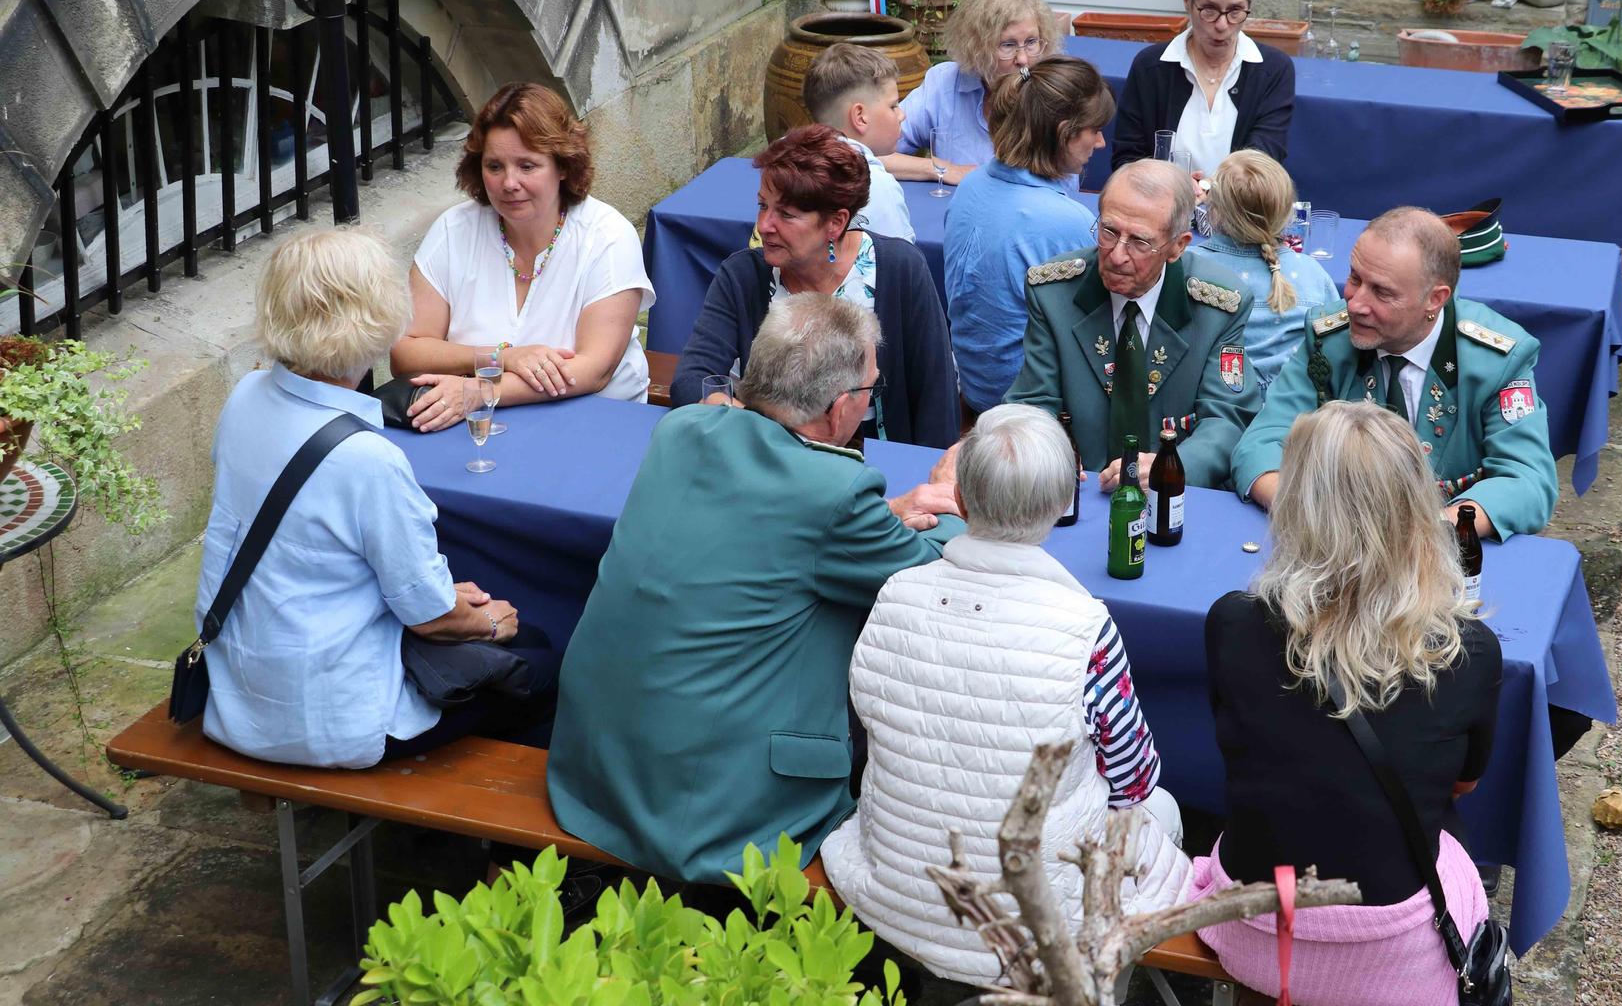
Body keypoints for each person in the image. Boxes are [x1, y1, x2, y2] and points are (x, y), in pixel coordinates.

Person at [547, 296, 964, 881]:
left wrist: (887, 514)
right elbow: (933, 579)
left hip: (597, 770)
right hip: (713, 811)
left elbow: (775, 525)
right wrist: (951, 495)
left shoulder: (683, 429)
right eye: (872, 389)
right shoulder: (834, 491)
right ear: (840, 407)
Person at [820, 404, 1190, 986]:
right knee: (1161, 810)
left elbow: (869, 721)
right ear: (1055, 508)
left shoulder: (895, 594)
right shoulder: (1084, 628)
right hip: (1033, 918)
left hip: (899, 884)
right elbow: (1135, 780)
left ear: (961, 501)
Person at [198, 228, 552, 770]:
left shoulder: (245, 397)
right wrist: (492, 622)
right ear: (378, 318)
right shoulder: (367, 458)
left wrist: (437, 597)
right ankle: (476, 840)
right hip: (336, 721)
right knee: (543, 656)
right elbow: (430, 618)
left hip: (235, 698)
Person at [1188, 401, 1501, 1006]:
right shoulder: (1469, 651)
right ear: (1415, 509)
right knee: (1455, 840)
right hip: (1393, 952)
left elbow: (1240, 740)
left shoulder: (1233, 622)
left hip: (1259, 930)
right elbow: (1464, 784)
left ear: (1298, 504)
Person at [1230, 206, 1557, 539]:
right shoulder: (1329, 340)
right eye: (1355, 278)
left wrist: (1429, 533)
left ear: (1435, 299)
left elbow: (1527, 482)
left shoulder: (1497, 359)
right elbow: (1260, 444)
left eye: (1382, 292)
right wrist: (1309, 515)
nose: (1355, 303)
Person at [669, 124, 957, 446]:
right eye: (763, 205)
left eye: (787, 215)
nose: (764, 226)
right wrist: (763, 435)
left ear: (836, 222)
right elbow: (692, 381)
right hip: (770, 458)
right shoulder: (743, 276)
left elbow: (937, 400)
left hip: (878, 457)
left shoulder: (901, 269)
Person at [393, 82, 654, 432]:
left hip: (593, 422)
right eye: (495, 166)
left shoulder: (608, 236)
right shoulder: (453, 231)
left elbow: (594, 371)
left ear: (563, 166)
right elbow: (405, 354)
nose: (509, 183)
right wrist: (500, 357)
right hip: (480, 426)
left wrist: (479, 389)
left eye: (527, 166)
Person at [1006, 160, 1259, 492]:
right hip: (1076, 489)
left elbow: (1227, 418)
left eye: (1140, 242)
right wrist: (1050, 457)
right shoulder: (1054, 293)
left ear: (1178, 246)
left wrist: (1172, 468)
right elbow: (1033, 403)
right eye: (1108, 231)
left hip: (1172, 497)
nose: (1116, 255)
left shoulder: (1218, 306)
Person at [943, 56, 1109, 417]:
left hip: (974, 388)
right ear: (1064, 133)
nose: (1100, 142)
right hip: (1031, 411)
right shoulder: (1067, 220)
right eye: (1094, 130)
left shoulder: (971, 185)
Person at [1111, 0, 1296, 184]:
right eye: (1209, 9)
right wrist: (1176, 189)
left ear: (1252, 2)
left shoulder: (1273, 70)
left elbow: (1264, 161)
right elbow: (1127, 159)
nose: (1222, 25)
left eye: (1235, 11)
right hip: (1163, 210)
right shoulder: (1150, 67)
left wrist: (1209, 189)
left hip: (1239, 212)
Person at [1191, 150, 1339, 394]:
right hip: (1294, 414)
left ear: (1214, 209)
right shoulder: (1313, 273)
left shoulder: (1191, 267)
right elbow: (1334, 347)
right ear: (1287, 210)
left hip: (1213, 409)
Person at [892, 0, 1064, 184]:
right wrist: (943, 169)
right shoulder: (945, 83)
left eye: (1031, 42)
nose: (1023, 59)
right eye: (1008, 45)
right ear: (977, 49)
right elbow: (868, 153)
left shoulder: (1054, 93)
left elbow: (1065, 186)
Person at [802, 42, 915, 242]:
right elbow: (902, 266)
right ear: (860, 116)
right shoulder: (878, 186)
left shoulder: (786, 162)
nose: (902, 115)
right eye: (893, 106)